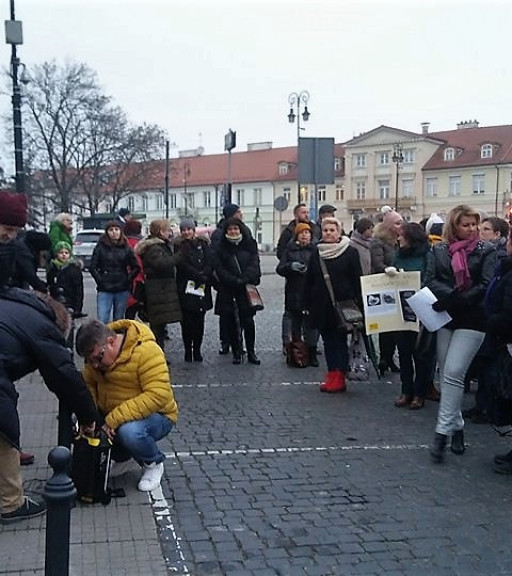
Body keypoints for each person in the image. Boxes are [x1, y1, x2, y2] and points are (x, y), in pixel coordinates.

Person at [0, 287, 98, 522]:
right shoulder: (44, 327)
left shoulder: (14, 305)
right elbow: (64, 376)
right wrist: (88, 417)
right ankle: (11, 503)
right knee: (4, 433)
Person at [425, 205, 497, 463]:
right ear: (454, 226)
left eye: (474, 224)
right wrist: (449, 297)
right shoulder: (439, 249)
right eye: (466, 224)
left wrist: (458, 299)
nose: (472, 229)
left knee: (455, 372)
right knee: (446, 375)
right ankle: (457, 426)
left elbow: (486, 283)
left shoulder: (486, 250)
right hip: (445, 316)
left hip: (474, 317)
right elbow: (430, 279)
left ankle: (441, 433)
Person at [75, 319, 178, 492]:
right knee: (78, 421)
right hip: (115, 414)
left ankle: (153, 463)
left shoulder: (147, 351)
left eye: (98, 358)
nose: (95, 365)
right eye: (89, 361)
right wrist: (89, 416)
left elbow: (158, 395)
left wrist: (114, 419)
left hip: (159, 416)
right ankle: (122, 459)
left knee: (130, 432)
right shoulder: (98, 353)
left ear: (111, 342)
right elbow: (89, 384)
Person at [303, 217, 362, 393]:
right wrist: (306, 302)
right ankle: (331, 373)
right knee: (328, 341)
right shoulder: (317, 251)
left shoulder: (350, 252)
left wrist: (358, 303)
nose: (328, 233)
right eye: (325, 230)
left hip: (343, 305)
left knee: (340, 341)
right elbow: (310, 279)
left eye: (332, 230)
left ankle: (339, 376)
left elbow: (356, 279)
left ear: (339, 232)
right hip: (321, 305)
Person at [389, 223, 431, 409]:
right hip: (401, 309)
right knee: (404, 352)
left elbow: (430, 278)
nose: (398, 239)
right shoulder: (397, 255)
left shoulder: (427, 255)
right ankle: (406, 391)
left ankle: (420, 393)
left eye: (401, 236)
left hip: (420, 310)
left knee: (420, 354)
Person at [213, 217, 262, 365]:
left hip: (246, 289)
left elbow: (255, 264)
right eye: (230, 229)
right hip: (229, 290)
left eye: (236, 229)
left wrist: (245, 278)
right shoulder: (221, 247)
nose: (233, 231)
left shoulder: (249, 244)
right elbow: (219, 269)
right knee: (231, 322)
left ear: (240, 230)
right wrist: (233, 280)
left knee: (248, 322)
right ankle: (236, 351)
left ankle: (251, 352)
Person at [276, 203, 321, 352]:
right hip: (294, 287)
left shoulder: (315, 238)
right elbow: (281, 259)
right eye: (303, 212)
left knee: (311, 319)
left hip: (312, 289)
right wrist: (291, 266)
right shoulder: (288, 233)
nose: (307, 215)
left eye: (308, 212)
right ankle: (292, 346)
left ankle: (311, 348)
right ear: (296, 214)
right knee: (291, 317)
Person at [135, 219, 184, 350]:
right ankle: (156, 352)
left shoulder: (160, 245)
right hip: (157, 289)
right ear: (161, 232)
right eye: (168, 230)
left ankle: (159, 351)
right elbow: (163, 264)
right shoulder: (153, 248)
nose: (170, 233)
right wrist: (180, 256)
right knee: (157, 325)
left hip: (161, 288)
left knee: (160, 325)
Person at [210, 203, 250, 355]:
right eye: (239, 212)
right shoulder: (219, 233)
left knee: (244, 313)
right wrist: (221, 278)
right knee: (226, 314)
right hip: (225, 281)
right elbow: (215, 259)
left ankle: (240, 342)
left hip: (242, 281)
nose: (241, 214)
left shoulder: (244, 230)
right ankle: (226, 341)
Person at [174, 218, 213, 362]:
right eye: (183, 230)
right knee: (186, 322)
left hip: (201, 288)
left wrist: (205, 274)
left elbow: (210, 261)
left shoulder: (203, 245)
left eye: (189, 229)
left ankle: (197, 349)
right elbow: (181, 265)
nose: (186, 232)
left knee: (199, 322)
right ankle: (187, 350)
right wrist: (196, 274)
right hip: (185, 287)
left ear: (193, 230)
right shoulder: (178, 246)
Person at [370, 208, 403, 375]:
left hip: (399, 285)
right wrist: (387, 269)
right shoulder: (378, 241)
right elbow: (376, 264)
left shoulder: (400, 240)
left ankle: (390, 357)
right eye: (397, 223)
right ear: (389, 225)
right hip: (383, 286)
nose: (400, 226)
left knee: (397, 326)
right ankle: (385, 358)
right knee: (386, 326)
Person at [90, 221, 140, 324]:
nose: (114, 232)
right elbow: (93, 267)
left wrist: (128, 279)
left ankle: (118, 339)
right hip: (105, 288)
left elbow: (136, 266)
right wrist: (100, 280)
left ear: (121, 231)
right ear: (107, 232)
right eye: (111, 230)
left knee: (119, 319)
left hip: (122, 288)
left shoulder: (126, 247)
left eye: (116, 230)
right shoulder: (100, 247)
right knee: (102, 319)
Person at [47, 241, 85, 318]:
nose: (64, 255)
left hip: (70, 301)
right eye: (61, 253)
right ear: (56, 254)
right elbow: (50, 285)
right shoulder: (53, 269)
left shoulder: (74, 269)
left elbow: (79, 290)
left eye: (66, 253)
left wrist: (78, 308)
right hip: (56, 301)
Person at [123, 220, 146, 321]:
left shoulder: (124, 243)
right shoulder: (139, 244)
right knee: (136, 306)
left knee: (129, 309)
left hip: (126, 278)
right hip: (138, 279)